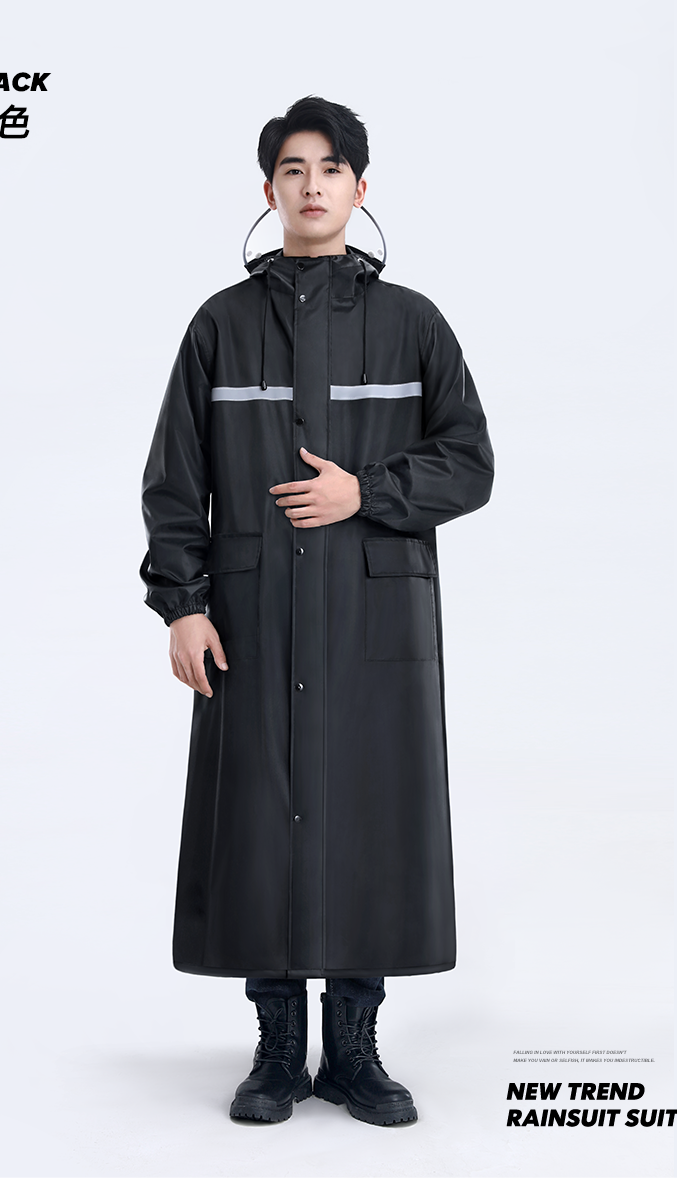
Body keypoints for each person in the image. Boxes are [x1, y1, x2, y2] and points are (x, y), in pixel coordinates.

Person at [139, 95, 494, 1126]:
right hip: (251, 617)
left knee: (371, 813)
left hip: (375, 622)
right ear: (269, 190)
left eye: (330, 168)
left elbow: (468, 461)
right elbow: (175, 480)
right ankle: (277, 1050)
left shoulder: (413, 322)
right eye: (292, 169)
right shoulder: (220, 325)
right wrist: (182, 605)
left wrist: (364, 492)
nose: (311, 184)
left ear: (359, 187)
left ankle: (355, 1049)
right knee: (260, 818)